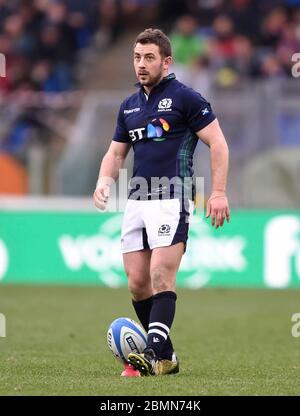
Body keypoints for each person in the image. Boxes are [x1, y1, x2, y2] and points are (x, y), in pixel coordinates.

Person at [93, 28, 230, 377]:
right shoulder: (129, 106)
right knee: (137, 282)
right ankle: (167, 357)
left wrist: (218, 192)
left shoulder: (187, 98)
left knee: (160, 275)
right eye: (137, 57)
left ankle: (151, 353)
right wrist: (103, 181)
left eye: (149, 57)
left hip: (174, 197)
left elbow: (218, 144)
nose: (141, 64)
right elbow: (115, 152)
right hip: (137, 201)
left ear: (166, 62)